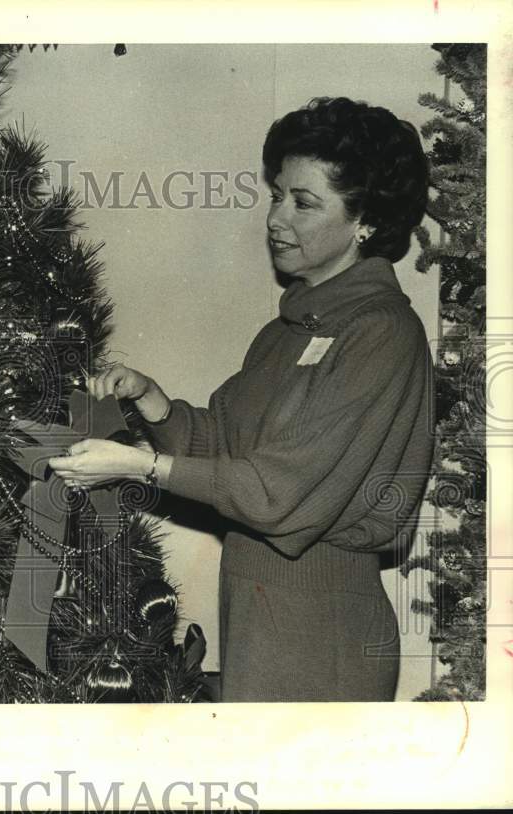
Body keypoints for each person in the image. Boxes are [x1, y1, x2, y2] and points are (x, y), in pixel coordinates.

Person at [49, 97, 434, 702]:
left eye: (304, 203)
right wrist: (156, 404)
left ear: (366, 221)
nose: (277, 218)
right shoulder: (287, 331)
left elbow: (277, 493)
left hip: (324, 629)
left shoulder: (381, 333)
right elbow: (224, 448)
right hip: (258, 615)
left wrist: (141, 466)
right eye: (277, 194)